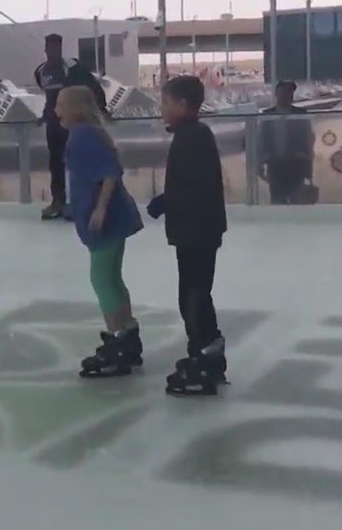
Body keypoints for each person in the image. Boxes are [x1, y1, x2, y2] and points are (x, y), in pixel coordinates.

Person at [145, 75, 229, 396]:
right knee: (194, 293)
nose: (161, 108)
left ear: (182, 104)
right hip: (196, 229)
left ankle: (206, 351)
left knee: (193, 295)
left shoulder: (192, 137)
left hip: (197, 230)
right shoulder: (191, 134)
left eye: (165, 102)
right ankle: (205, 349)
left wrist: (165, 202)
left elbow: (198, 188)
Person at [56, 85, 144, 378]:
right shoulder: (87, 134)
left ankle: (118, 339)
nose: (56, 111)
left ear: (77, 110)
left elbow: (109, 172)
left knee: (102, 280)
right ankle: (127, 333)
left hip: (106, 221)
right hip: (109, 218)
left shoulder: (84, 135)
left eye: (60, 105)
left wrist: (101, 208)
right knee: (112, 279)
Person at [34, 33, 109, 221]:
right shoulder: (41, 72)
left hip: (73, 124)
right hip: (54, 124)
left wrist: (102, 109)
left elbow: (93, 88)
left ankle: (81, 203)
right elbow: (50, 98)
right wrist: (45, 115)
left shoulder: (72, 68)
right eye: (48, 48)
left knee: (78, 162)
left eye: (55, 48)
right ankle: (58, 201)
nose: (51, 52)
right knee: (55, 163)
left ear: (60, 48)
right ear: (45, 50)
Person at [257, 80, 316, 205]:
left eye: (289, 94)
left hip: (296, 165)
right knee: (277, 202)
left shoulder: (301, 115)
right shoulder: (267, 115)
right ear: (276, 94)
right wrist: (260, 164)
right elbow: (261, 140)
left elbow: (308, 140)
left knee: (296, 202)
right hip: (275, 165)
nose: (286, 97)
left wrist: (308, 168)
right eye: (283, 93)